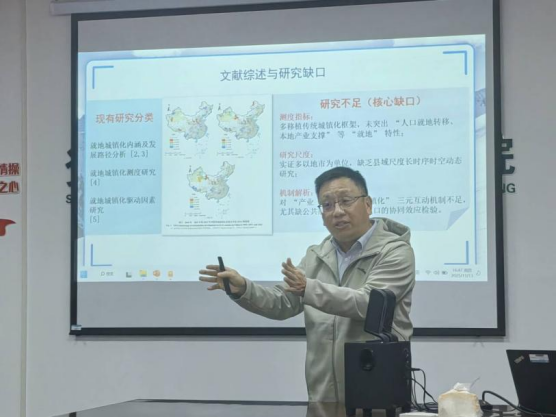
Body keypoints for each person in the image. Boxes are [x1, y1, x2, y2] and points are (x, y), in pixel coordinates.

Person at [199, 166, 415, 403]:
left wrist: (309, 289)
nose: (337, 211)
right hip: (323, 396)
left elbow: (369, 303)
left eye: (346, 201)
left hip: (378, 393)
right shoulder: (316, 255)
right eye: (327, 205)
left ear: (368, 204)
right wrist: (243, 288)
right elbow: (282, 303)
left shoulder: (395, 251)